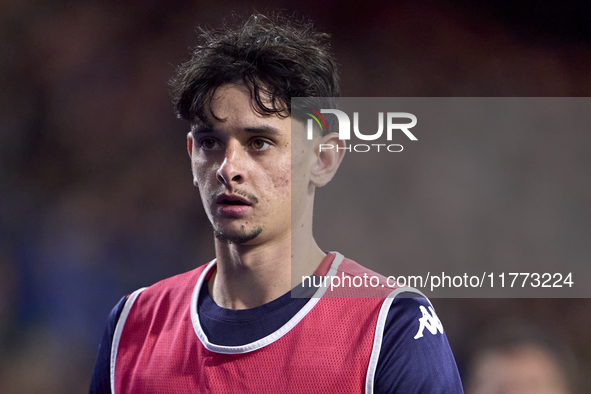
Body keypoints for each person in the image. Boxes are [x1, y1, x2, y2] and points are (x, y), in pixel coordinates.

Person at [90, 13, 463, 393]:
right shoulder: (132, 326)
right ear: (191, 153)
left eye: (259, 143)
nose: (228, 168)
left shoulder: (391, 324)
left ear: (323, 160)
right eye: (210, 143)